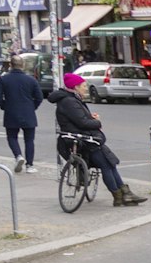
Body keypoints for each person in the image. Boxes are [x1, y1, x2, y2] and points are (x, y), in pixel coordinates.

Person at [47, 73, 146, 206]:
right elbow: (82, 123)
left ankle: (125, 194)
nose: (86, 88)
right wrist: (97, 122)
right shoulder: (69, 101)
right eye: (83, 85)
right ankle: (118, 195)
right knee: (106, 164)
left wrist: (89, 116)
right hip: (82, 141)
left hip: (85, 138)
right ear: (75, 87)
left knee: (110, 163)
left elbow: (79, 118)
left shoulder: (71, 99)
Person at [0, 57, 43, 174]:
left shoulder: (3, 79)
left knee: (11, 137)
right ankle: (30, 165)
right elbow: (39, 97)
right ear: (23, 65)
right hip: (28, 112)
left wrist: (4, 106)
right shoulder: (31, 80)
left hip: (11, 111)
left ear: (11, 65)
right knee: (29, 140)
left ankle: (18, 155)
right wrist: (33, 107)